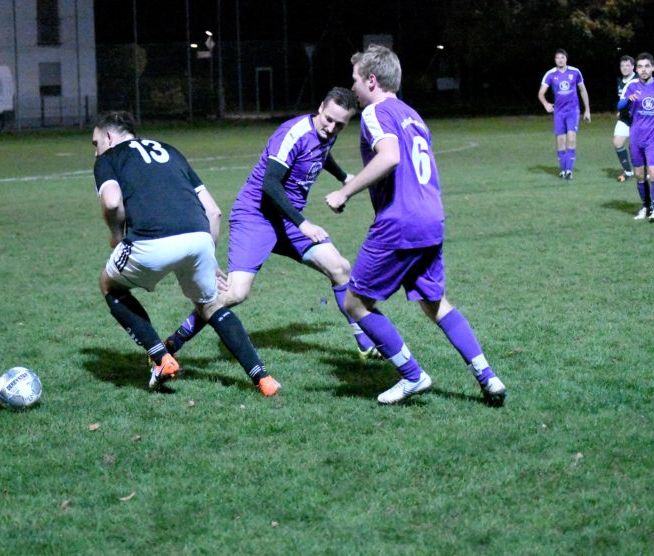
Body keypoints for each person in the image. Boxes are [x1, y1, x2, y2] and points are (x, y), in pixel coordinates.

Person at [324, 45, 507, 406]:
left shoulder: (376, 112)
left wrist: (345, 192)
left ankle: (412, 376)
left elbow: (390, 157)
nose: (354, 88)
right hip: (431, 218)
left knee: (354, 303)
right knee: (436, 304)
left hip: (399, 222)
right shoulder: (413, 115)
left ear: (372, 80)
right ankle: (489, 377)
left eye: (356, 80)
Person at [166, 87, 382, 360]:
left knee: (340, 268)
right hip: (255, 216)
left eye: (340, 124)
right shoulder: (293, 134)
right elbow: (270, 185)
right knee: (235, 294)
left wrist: (342, 177)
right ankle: (174, 342)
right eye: (328, 119)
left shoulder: (328, 133)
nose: (331, 128)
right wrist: (303, 224)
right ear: (320, 107)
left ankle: (364, 344)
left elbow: (321, 154)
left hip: (287, 219)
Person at [92, 111, 280, 396]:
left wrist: (116, 236)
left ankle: (161, 358)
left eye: (95, 143)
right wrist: (208, 259)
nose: (95, 150)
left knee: (109, 284)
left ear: (109, 136)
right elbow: (214, 212)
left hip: (150, 242)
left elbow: (112, 201)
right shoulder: (169, 150)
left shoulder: (108, 158)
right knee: (210, 305)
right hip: (198, 238)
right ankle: (263, 379)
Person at [618, 52, 654, 223]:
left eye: (647, 66)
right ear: (636, 69)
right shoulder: (631, 86)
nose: (643, 70)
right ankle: (646, 206)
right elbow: (619, 105)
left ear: (653, 67)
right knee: (639, 175)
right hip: (636, 137)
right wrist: (628, 101)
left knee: (653, 173)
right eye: (640, 67)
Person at [538, 49, 591, 180]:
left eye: (562, 57)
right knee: (561, 141)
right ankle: (562, 170)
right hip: (559, 112)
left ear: (566, 59)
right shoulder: (550, 74)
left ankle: (569, 170)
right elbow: (541, 93)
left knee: (571, 138)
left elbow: (583, 90)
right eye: (557, 58)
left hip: (573, 110)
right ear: (555, 60)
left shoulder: (575, 72)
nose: (560, 60)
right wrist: (546, 104)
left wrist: (587, 110)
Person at [614, 55, 637, 182]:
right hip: (624, 118)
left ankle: (646, 171)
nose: (625, 68)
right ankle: (628, 171)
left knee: (638, 147)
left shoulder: (638, 79)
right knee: (617, 142)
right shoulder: (619, 80)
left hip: (638, 119)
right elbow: (621, 99)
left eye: (628, 65)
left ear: (633, 67)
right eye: (623, 66)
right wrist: (620, 110)